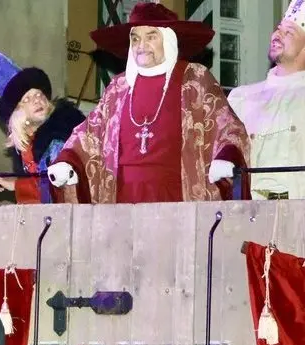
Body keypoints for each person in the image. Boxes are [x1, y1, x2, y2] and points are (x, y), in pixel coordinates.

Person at [49, 2, 249, 204]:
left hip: (177, 198)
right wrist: (69, 160)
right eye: (135, 39)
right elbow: (90, 133)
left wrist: (227, 155)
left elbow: (227, 125)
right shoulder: (118, 87)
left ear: (168, 40)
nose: (141, 45)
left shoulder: (194, 78)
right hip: (121, 200)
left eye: (151, 37)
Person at [227, 1, 305, 209]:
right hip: (246, 214)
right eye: (278, 28)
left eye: (289, 32)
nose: (277, 34)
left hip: (299, 216)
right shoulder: (241, 98)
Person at [0, 52, 87, 204]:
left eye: (38, 94)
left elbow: (57, 187)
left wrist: (16, 185)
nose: (37, 100)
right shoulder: (27, 146)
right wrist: (13, 182)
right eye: (27, 99)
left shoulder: (62, 133)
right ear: (17, 115)